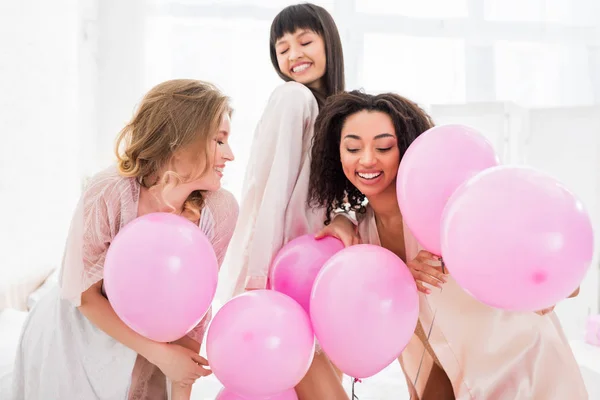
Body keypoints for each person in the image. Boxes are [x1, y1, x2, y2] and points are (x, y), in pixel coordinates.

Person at [308, 90, 588, 399]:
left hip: (525, 370)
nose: (367, 159)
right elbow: (410, 337)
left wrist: (545, 286)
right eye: (352, 148)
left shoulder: (454, 207)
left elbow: (562, 277)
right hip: (451, 381)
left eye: (384, 146)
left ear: (408, 149)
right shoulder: (360, 236)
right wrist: (394, 275)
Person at [12, 79, 239, 400]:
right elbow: (83, 294)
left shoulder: (221, 209)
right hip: (75, 335)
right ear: (180, 141)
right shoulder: (110, 189)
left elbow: (195, 313)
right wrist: (161, 355)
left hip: (151, 346)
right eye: (219, 141)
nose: (230, 154)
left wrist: (179, 383)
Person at [221, 3, 356, 399]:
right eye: (282, 48)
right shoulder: (292, 98)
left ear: (328, 43)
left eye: (304, 41)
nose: (294, 54)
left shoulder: (331, 112)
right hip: (285, 273)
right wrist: (258, 278)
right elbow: (270, 189)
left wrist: (345, 217)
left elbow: (339, 194)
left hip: (310, 269)